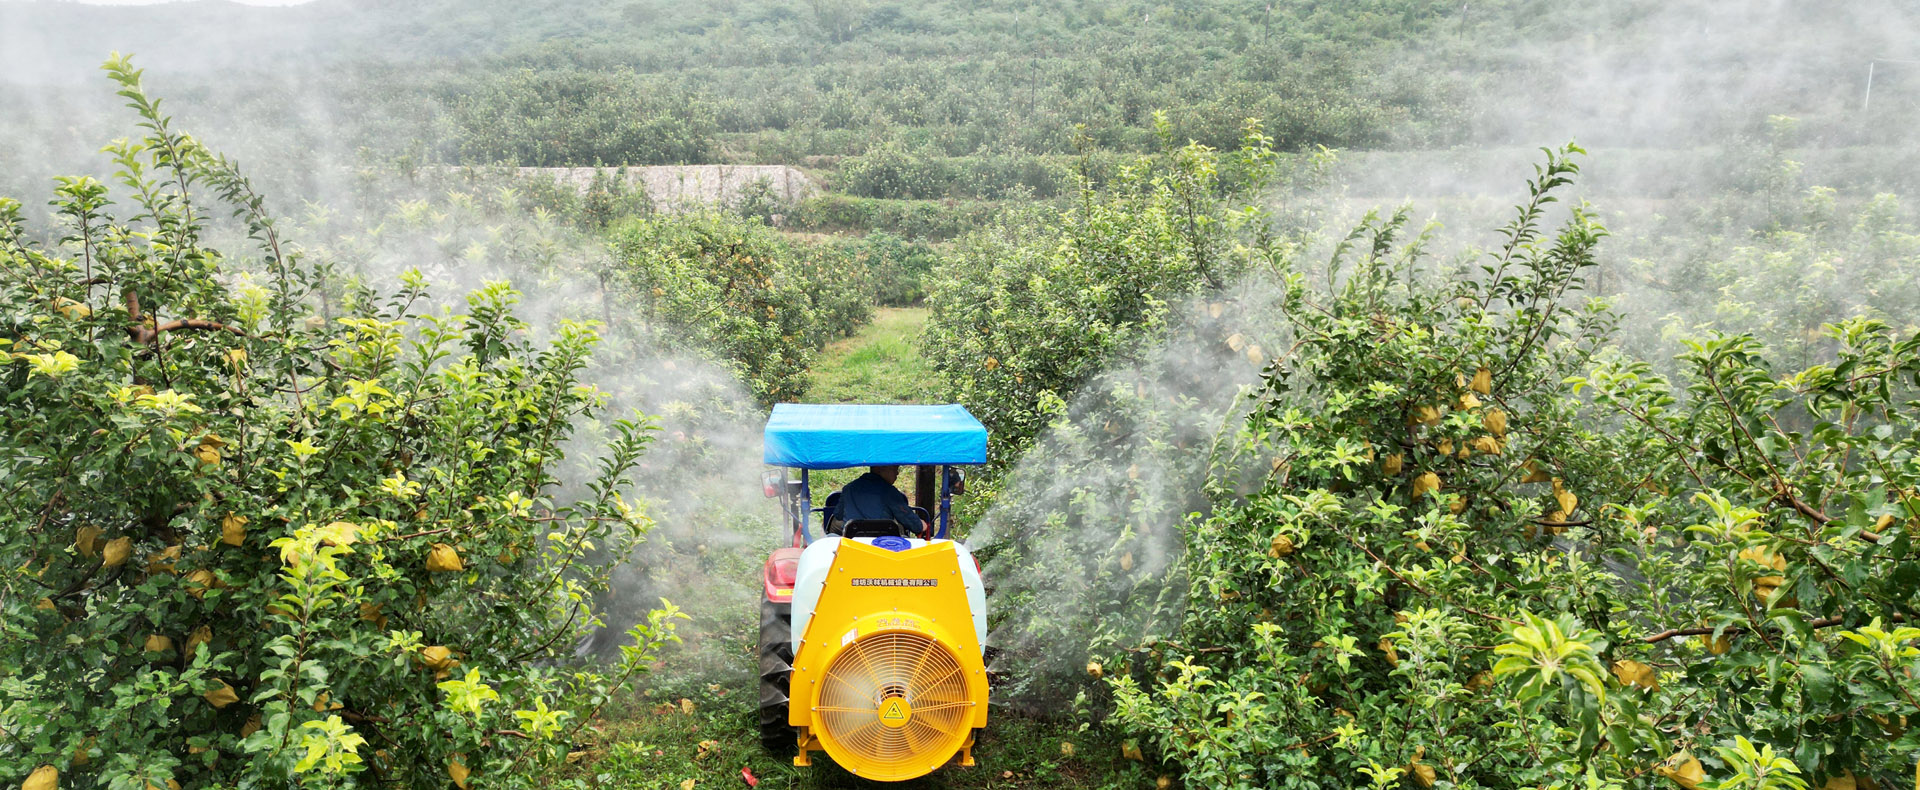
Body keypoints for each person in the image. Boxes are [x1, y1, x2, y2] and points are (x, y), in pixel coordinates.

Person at [832, 465, 927, 535]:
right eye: (895, 468)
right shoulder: (889, 491)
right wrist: (921, 525)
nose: (897, 473)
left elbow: (838, 515)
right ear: (879, 469)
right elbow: (909, 520)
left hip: (852, 542)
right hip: (882, 544)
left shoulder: (849, 488)